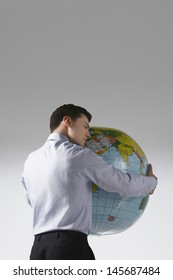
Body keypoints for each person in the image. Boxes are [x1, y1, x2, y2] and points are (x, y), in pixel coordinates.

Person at [21, 104, 158, 260]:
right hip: (69, 247)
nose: (87, 134)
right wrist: (150, 183)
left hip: (38, 250)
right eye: (85, 126)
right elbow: (121, 183)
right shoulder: (79, 155)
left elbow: (30, 200)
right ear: (67, 121)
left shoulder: (31, 160)